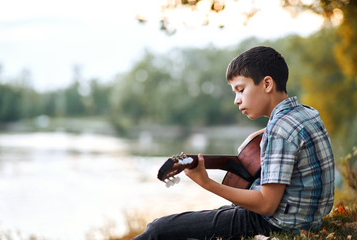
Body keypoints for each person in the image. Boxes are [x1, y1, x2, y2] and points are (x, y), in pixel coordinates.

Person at [133, 46, 335, 240]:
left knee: (159, 229)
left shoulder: (279, 130)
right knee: (203, 219)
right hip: (308, 219)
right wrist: (261, 136)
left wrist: (207, 183)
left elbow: (267, 205)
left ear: (267, 84)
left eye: (240, 89)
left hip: (277, 223)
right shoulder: (307, 113)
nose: (236, 100)